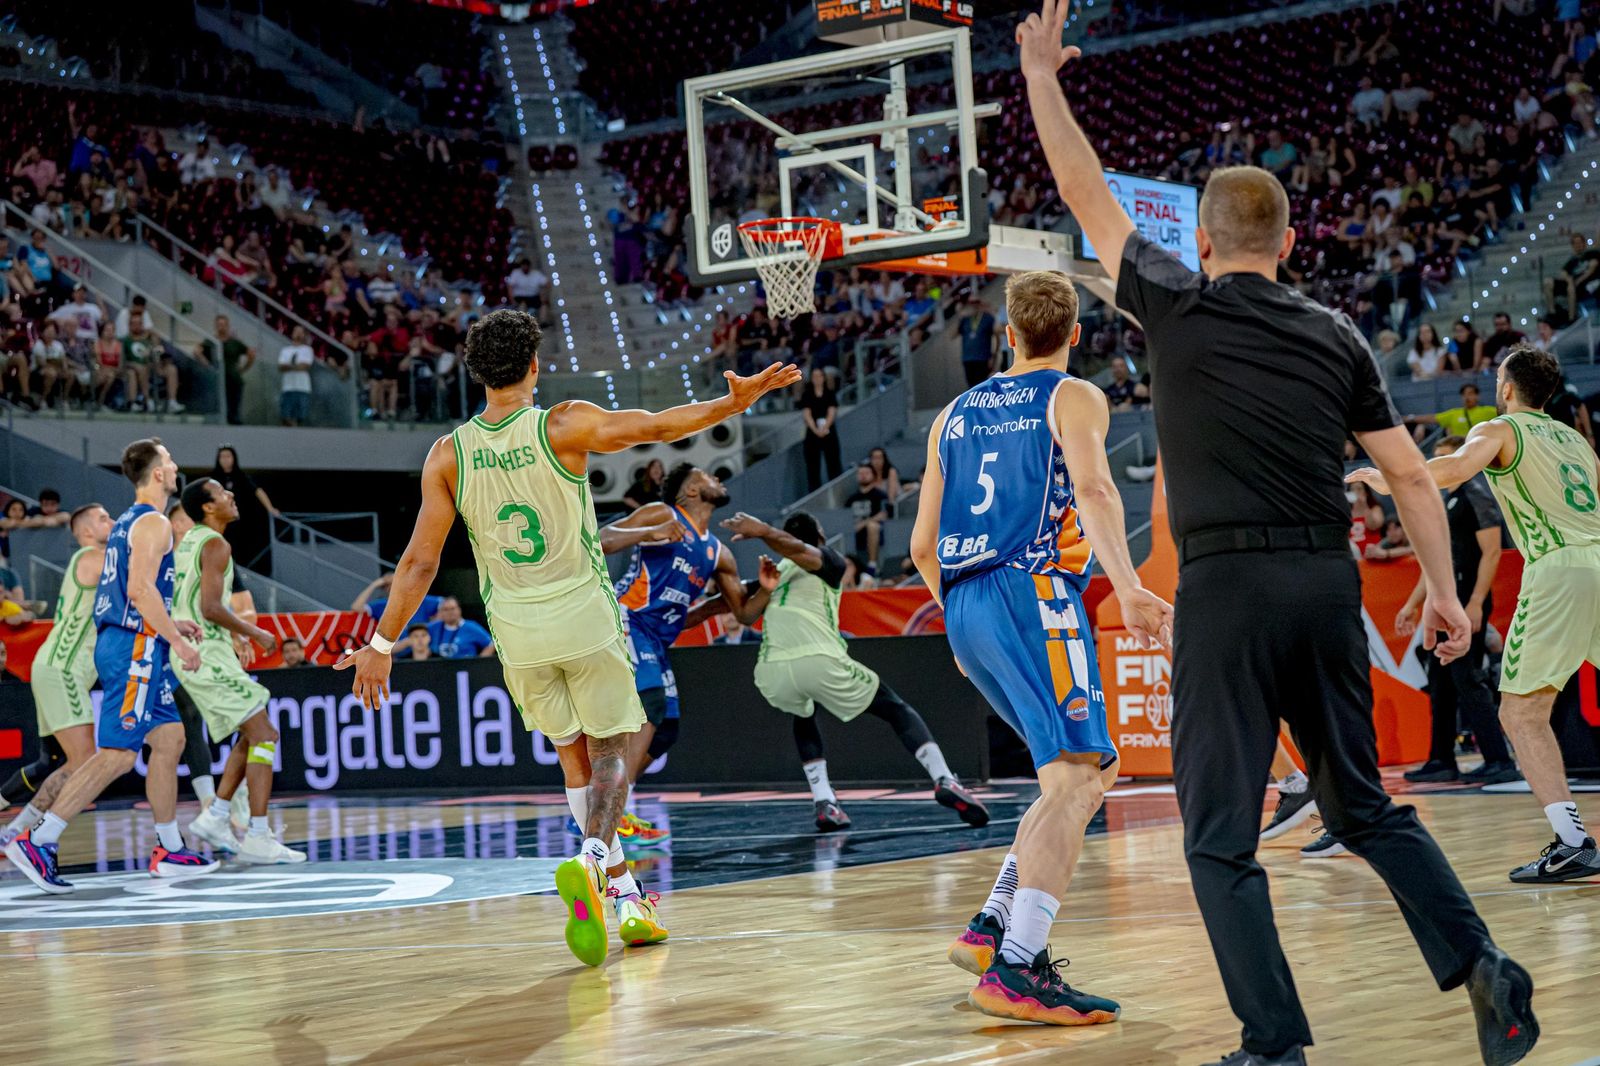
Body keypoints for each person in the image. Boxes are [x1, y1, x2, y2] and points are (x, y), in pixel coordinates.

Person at [1015, 5, 1536, 1062]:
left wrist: (1036, 72)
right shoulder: (1337, 331)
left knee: (1216, 837)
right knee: (1366, 807)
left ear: (1199, 241)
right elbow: (1405, 476)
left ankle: (1273, 1043)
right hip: (1324, 582)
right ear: (1290, 242)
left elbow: (1079, 188)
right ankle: (1484, 964)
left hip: (1226, 591)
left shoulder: (1174, 299)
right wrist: (1440, 592)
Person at [336, 308, 799, 968]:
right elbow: (659, 427)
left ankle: (629, 896)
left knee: (571, 756)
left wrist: (380, 647)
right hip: (583, 615)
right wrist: (732, 400)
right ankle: (591, 861)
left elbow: (417, 563)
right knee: (612, 746)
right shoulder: (563, 424)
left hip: (518, 634)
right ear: (533, 366)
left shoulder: (448, 454)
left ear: (475, 373)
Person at [910, 264, 1171, 1027]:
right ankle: (1017, 969)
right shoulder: (1073, 395)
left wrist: (958, 621)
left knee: (1085, 771)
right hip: (1034, 591)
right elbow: (1093, 492)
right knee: (1078, 782)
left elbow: (923, 544)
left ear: (1008, 333)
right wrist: (1125, 587)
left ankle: (992, 927)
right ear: (1075, 335)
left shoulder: (951, 415)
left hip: (964, 600)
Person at [1350, 343, 1600, 884]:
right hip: (1598, 554)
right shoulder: (1578, 441)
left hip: (1557, 566)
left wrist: (1388, 476)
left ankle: (1574, 842)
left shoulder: (1501, 429)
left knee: (1520, 715)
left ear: (1507, 388)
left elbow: (1452, 469)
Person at [5, 439, 220, 893]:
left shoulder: (128, 522)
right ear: (158, 474)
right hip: (133, 648)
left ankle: (167, 848)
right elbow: (141, 593)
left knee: (170, 737)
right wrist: (177, 641)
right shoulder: (154, 523)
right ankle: (38, 840)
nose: (176, 464)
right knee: (118, 755)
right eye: (169, 460)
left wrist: (172, 621)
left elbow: (132, 594)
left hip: (133, 641)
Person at [723, 509, 990, 831]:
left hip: (771, 671)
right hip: (818, 659)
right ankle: (945, 779)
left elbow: (727, 606)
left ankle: (824, 801)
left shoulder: (772, 575)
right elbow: (798, 550)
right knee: (895, 709)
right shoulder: (831, 562)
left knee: (803, 714)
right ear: (819, 538)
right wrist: (763, 530)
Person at [605, 462, 776, 838]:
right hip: (625, 620)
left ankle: (607, 806)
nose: (718, 480)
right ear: (692, 490)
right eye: (709, 477)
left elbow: (744, 615)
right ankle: (610, 813)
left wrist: (765, 588)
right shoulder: (662, 513)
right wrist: (651, 532)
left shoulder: (718, 554)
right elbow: (601, 539)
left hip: (657, 638)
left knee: (666, 729)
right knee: (650, 705)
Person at [170, 478, 302, 864]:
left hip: (201, 648)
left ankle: (218, 814)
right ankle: (256, 833)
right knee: (264, 733)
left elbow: (198, 603)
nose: (232, 496)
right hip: (204, 652)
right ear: (208, 507)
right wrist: (254, 631)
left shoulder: (190, 540)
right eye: (223, 494)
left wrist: (234, 636)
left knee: (257, 732)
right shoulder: (215, 544)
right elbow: (211, 607)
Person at [1384, 437, 1520, 787]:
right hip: (1446, 596)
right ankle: (1441, 759)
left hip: (1467, 599)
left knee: (1467, 675)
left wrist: (1476, 601)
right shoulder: (1446, 500)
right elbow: (1437, 561)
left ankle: (1499, 759)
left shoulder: (1476, 494)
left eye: (1446, 458)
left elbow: (1491, 553)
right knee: (1441, 678)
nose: (1438, 466)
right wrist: (1413, 604)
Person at [0, 504, 111, 846]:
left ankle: (13, 833)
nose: (114, 521)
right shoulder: (91, 557)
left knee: (52, 761)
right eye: (105, 518)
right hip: (63, 669)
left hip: (53, 667)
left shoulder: (98, 559)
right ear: (87, 532)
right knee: (86, 761)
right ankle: (26, 837)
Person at [210, 446, 279, 573]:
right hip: (220, 523)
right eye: (222, 457)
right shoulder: (213, 478)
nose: (225, 460)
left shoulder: (241, 476)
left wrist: (270, 508)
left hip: (239, 524)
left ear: (234, 458)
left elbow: (257, 491)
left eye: (228, 456)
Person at [1408, 382, 1499, 442]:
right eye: (1464, 394)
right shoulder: (1454, 413)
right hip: (1460, 450)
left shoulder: (1488, 411)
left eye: (1470, 393)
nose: (1467, 397)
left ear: (1477, 396)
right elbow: (1431, 418)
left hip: (1480, 449)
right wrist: (1408, 418)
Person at [799, 366, 842, 491]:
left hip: (828, 430)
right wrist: (815, 429)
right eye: (814, 377)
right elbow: (807, 414)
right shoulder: (807, 395)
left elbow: (832, 412)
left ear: (823, 378)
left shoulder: (829, 393)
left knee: (833, 461)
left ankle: (836, 490)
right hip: (813, 432)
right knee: (813, 464)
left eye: (819, 376)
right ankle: (814, 490)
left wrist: (825, 427)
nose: (817, 379)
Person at [844, 463, 889, 570]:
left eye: (866, 473)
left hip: (875, 531)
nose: (863, 475)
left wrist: (864, 523)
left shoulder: (880, 495)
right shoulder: (851, 499)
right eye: (860, 473)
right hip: (853, 531)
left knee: (872, 526)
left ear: (873, 475)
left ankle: (872, 565)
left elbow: (884, 515)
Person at [425, 596, 494, 658]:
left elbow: (490, 644)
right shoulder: (433, 627)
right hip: (439, 668)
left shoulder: (471, 627)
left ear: (459, 609)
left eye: (452, 608)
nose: (450, 612)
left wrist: (479, 663)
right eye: (445, 609)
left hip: (466, 668)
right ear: (440, 612)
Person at [278, 325, 316, 426]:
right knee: (286, 416)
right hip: (288, 387)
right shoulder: (285, 350)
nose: (298, 333)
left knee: (301, 417)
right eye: (296, 331)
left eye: (300, 331)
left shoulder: (307, 350)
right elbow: (281, 367)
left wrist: (290, 366)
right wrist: (296, 366)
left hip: (302, 387)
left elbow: (306, 366)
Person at [959, 297, 999, 387]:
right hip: (968, 358)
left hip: (983, 358)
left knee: (983, 386)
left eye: (976, 302)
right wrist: (959, 315)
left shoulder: (988, 318)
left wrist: (994, 355)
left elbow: (997, 335)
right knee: (971, 387)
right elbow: (952, 335)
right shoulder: (965, 319)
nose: (973, 305)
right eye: (971, 303)